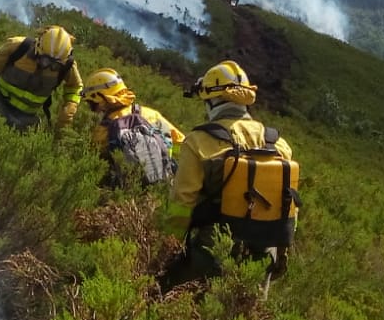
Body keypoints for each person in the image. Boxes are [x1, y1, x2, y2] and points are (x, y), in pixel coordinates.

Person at [163, 60, 300, 284]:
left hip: (213, 250)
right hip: (264, 250)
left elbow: (181, 203)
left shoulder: (198, 141)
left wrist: (168, 248)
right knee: (250, 312)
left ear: (212, 100)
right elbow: (288, 207)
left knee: (196, 312)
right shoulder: (279, 144)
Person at [0, 25, 83, 132]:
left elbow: (75, 87)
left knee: (29, 154)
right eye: (45, 60)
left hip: (28, 118)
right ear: (38, 47)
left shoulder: (68, 65)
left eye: (55, 65)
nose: (48, 67)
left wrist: (68, 113)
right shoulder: (17, 47)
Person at [81, 68, 183, 187]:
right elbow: (181, 144)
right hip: (164, 184)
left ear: (103, 100)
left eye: (92, 104)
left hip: (125, 190)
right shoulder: (151, 114)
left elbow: (91, 162)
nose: (92, 109)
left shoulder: (101, 130)